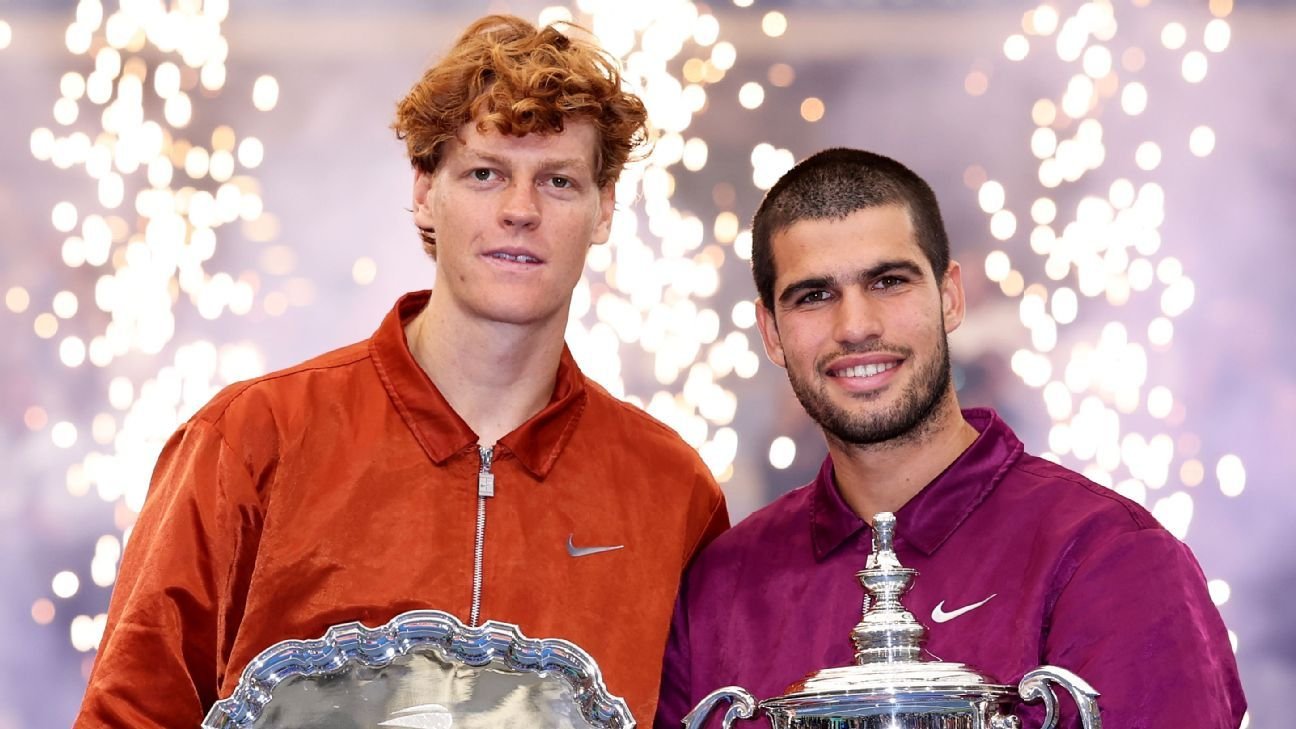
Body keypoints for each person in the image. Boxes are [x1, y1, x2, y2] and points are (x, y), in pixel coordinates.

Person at [74, 15, 728, 728]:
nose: (520, 210)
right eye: (485, 173)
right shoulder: (252, 441)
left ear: (603, 211)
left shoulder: (672, 491)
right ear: (423, 191)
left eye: (559, 181)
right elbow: (129, 713)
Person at [654, 148, 1244, 728]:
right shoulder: (719, 588)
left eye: (888, 282)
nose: (855, 326)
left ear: (950, 296)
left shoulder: (1108, 556)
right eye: (814, 295)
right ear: (771, 332)